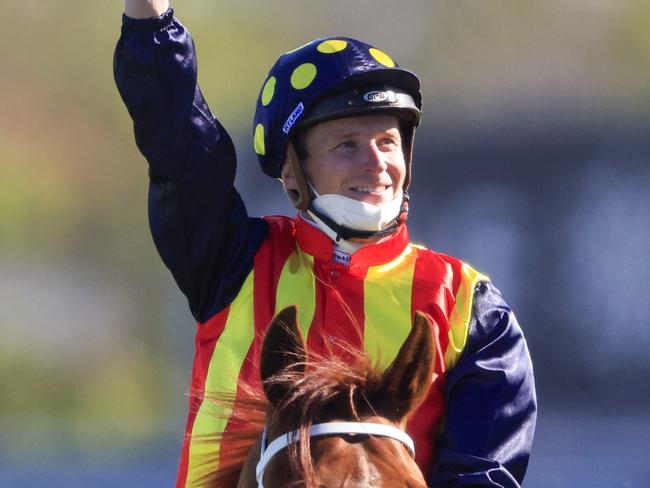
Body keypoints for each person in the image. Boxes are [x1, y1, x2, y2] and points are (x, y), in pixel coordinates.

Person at [114, 1, 537, 486]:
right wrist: (151, 21)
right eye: (347, 144)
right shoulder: (234, 262)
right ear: (291, 172)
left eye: (387, 142)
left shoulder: (470, 305)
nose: (375, 163)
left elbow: (486, 473)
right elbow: (177, 141)